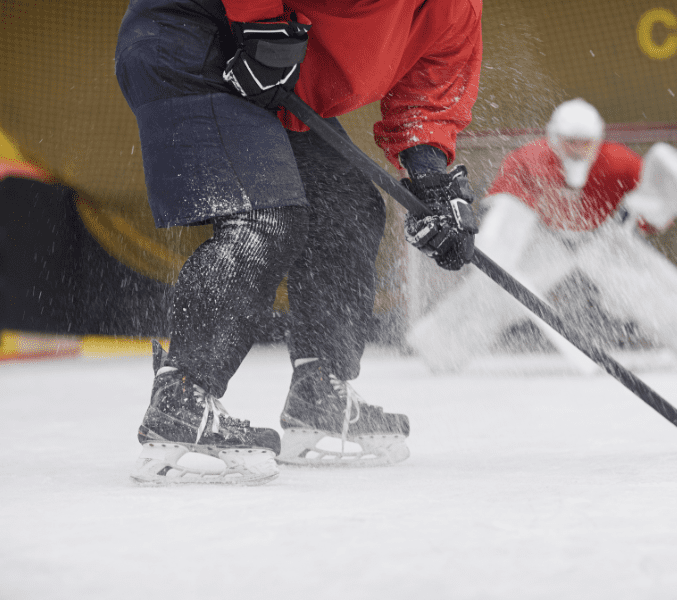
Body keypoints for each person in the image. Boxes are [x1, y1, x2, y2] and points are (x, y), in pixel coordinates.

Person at [115, 0, 482, 484]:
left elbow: (429, 92)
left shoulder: (457, 9)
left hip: (275, 72)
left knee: (346, 206)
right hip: (196, 32)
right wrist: (262, 22)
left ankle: (319, 391)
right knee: (263, 212)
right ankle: (183, 397)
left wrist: (430, 182)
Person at [407, 98, 677, 374]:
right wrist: (498, 253)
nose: (580, 150)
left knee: (652, 289)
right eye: (572, 142)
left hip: (602, 239)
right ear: (555, 137)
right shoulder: (528, 160)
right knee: (492, 291)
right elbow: (506, 212)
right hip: (544, 240)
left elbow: (649, 217)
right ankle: (440, 349)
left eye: (587, 142)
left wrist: (655, 209)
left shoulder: (620, 162)